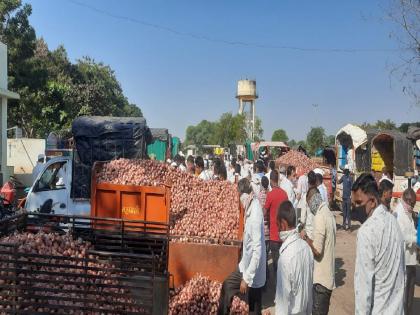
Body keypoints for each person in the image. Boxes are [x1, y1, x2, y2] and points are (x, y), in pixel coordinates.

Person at [352, 173, 405, 315]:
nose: (355, 208)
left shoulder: (366, 232)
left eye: (358, 203)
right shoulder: (394, 222)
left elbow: (363, 289)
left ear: (373, 202)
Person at [218, 178, 266, 315]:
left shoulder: (255, 215)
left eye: (239, 196)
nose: (239, 199)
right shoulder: (250, 206)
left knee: (254, 307)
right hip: (245, 265)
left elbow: (258, 251)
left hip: (253, 271)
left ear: (244, 195)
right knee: (227, 286)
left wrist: (247, 278)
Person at [274, 200, 314, 315]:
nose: (277, 229)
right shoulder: (306, 248)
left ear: (283, 224)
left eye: (277, 225)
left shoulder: (285, 259)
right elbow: (309, 289)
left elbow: (282, 305)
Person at [301, 187, 336, 315]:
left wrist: (305, 237)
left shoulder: (320, 216)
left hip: (321, 281)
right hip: (328, 278)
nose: (309, 208)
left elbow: (317, 250)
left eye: (309, 204)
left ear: (312, 199)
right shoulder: (328, 213)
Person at [394, 188, 417, 315]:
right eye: (412, 204)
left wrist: (416, 235)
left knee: (409, 295)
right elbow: (402, 237)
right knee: (403, 297)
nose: (412, 207)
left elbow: (411, 230)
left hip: (410, 260)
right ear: (406, 200)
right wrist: (416, 240)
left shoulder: (407, 211)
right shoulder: (399, 213)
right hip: (404, 261)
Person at [264, 171, 288, 275]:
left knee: (275, 261)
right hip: (284, 233)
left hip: (273, 234)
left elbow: (264, 212)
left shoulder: (270, 195)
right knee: (283, 260)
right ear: (277, 179)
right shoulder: (284, 194)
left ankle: (278, 284)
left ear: (270, 181)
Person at [300, 171, 317, 239]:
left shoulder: (305, 196)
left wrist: (300, 229)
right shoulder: (319, 195)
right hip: (318, 228)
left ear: (308, 183)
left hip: (309, 230)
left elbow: (303, 218)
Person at [338, 165, 353, 230]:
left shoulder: (350, 178)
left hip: (348, 198)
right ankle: (344, 226)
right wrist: (337, 178)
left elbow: (352, 188)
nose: (345, 171)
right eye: (345, 170)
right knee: (344, 212)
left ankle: (349, 226)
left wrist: (351, 197)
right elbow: (338, 182)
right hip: (344, 197)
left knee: (348, 213)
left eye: (346, 170)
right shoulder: (343, 177)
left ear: (347, 171)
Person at [258, 176, 270, 252]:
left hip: (262, 223)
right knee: (267, 246)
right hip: (269, 224)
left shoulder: (259, 195)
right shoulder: (270, 194)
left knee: (263, 248)